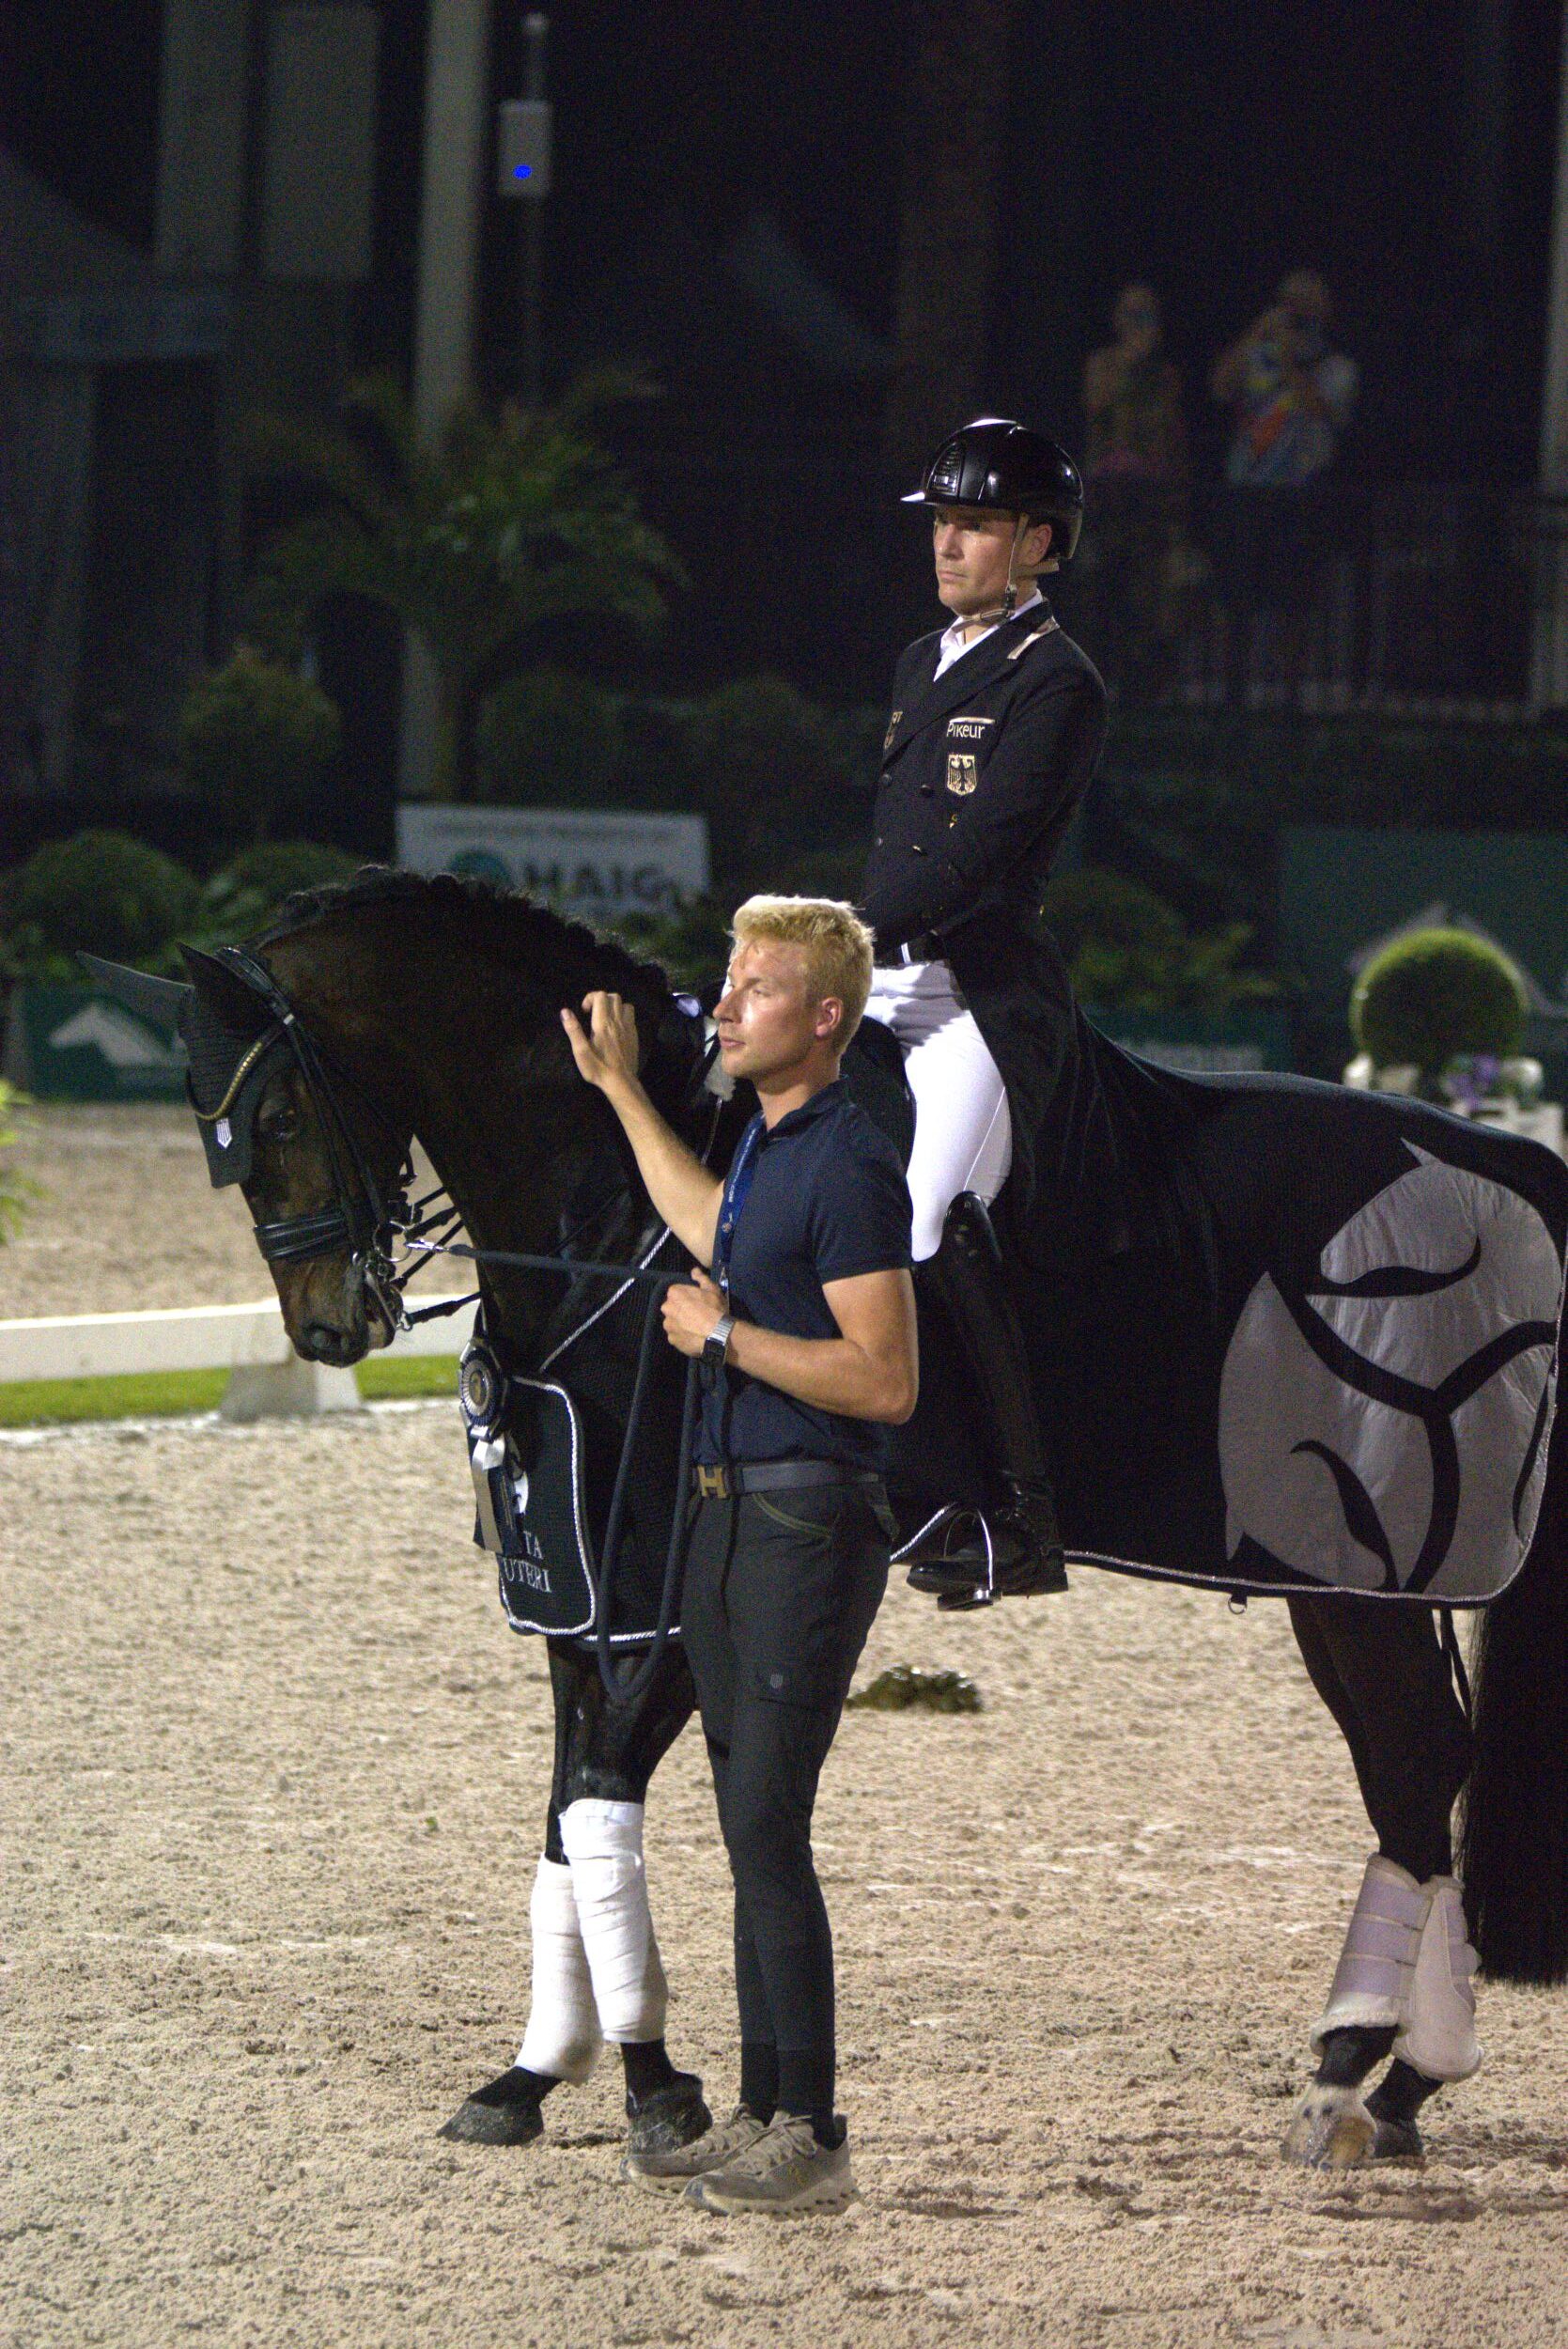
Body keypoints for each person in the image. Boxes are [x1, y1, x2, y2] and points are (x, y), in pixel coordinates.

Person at [561, 895, 917, 2217]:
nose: (725, 1004)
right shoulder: (768, 1140)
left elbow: (884, 1380)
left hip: (806, 1521)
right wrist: (620, 1093)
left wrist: (724, 1338)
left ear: (824, 1018)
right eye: (728, 980)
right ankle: (764, 2112)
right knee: (743, 1820)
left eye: (755, 988)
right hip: (726, 1514)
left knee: (768, 1819)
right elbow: (714, 1229)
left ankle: (812, 2131)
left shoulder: (853, 1161)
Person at [861, 415, 1107, 1607]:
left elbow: (977, 858)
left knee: (924, 1221)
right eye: (942, 524)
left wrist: (834, 937)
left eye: (974, 526)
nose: (947, 544)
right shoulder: (922, 659)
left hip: (975, 996)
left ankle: (1013, 1511)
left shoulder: (1058, 681)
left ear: (1037, 544)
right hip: (883, 979)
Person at [1080, 285, 1188, 699]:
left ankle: (1142, 685)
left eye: (1145, 315)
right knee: (1103, 584)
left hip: (1149, 495)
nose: (1137, 324)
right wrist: (1130, 365)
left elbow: (1166, 430)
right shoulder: (1103, 364)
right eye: (1130, 314)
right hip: (1108, 493)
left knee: (1147, 592)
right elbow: (1098, 406)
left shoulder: (1163, 374)